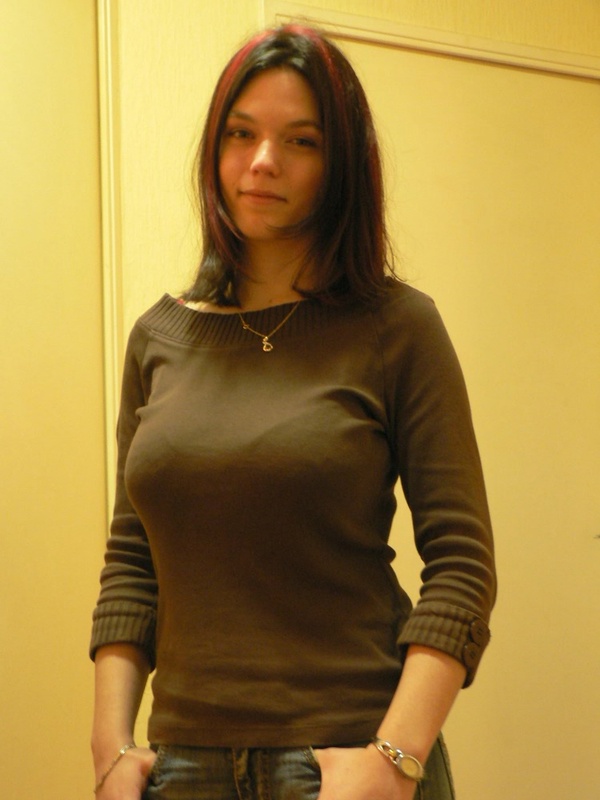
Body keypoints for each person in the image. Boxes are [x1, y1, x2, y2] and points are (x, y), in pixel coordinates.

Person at [90, 24, 496, 800]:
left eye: (300, 141)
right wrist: (110, 748)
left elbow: (462, 568)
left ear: (342, 165)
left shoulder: (397, 327)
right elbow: (131, 563)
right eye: (241, 134)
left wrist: (395, 759)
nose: (263, 161)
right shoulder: (158, 339)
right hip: (183, 767)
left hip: (347, 759)